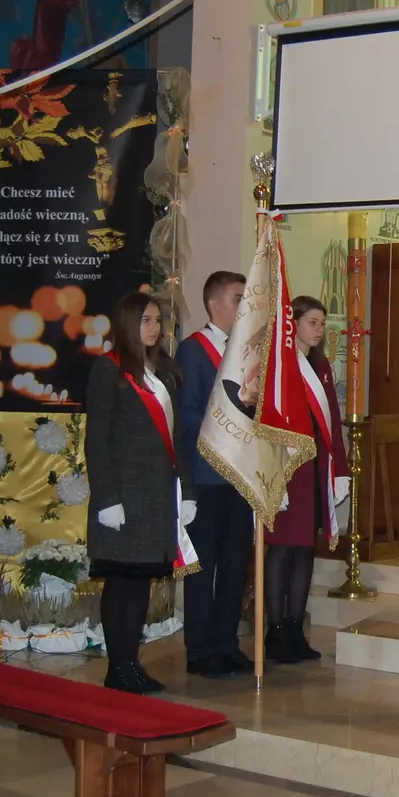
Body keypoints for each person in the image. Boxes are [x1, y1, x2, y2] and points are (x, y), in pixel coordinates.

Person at [86, 292, 195, 694]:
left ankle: (131, 663)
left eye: (158, 320)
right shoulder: (109, 369)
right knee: (122, 582)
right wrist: (106, 498)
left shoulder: (164, 372)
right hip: (123, 497)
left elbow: (177, 439)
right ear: (128, 323)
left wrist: (187, 491)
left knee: (140, 585)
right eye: (146, 320)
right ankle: (118, 667)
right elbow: (96, 440)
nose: (155, 327)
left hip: (157, 497)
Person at [263, 296, 349, 664]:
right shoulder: (278, 365)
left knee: (304, 549)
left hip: (314, 468)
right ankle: (275, 630)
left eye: (322, 323)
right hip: (287, 468)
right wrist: (273, 475)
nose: (319, 329)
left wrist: (340, 470)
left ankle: (296, 628)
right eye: (312, 322)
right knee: (282, 548)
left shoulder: (320, 364)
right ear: (293, 323)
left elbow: (331, 422)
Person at [176, 271, 251, 679]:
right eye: (238, 299)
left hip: (239, 473)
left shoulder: (246, 351)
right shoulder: (194, 350)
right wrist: (225, 427)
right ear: (214, 304)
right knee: (204, 564)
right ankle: (200, 647)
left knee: (235, 561)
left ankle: (226, 642)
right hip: (206, 473)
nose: (244, 306)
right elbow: (186, 412)